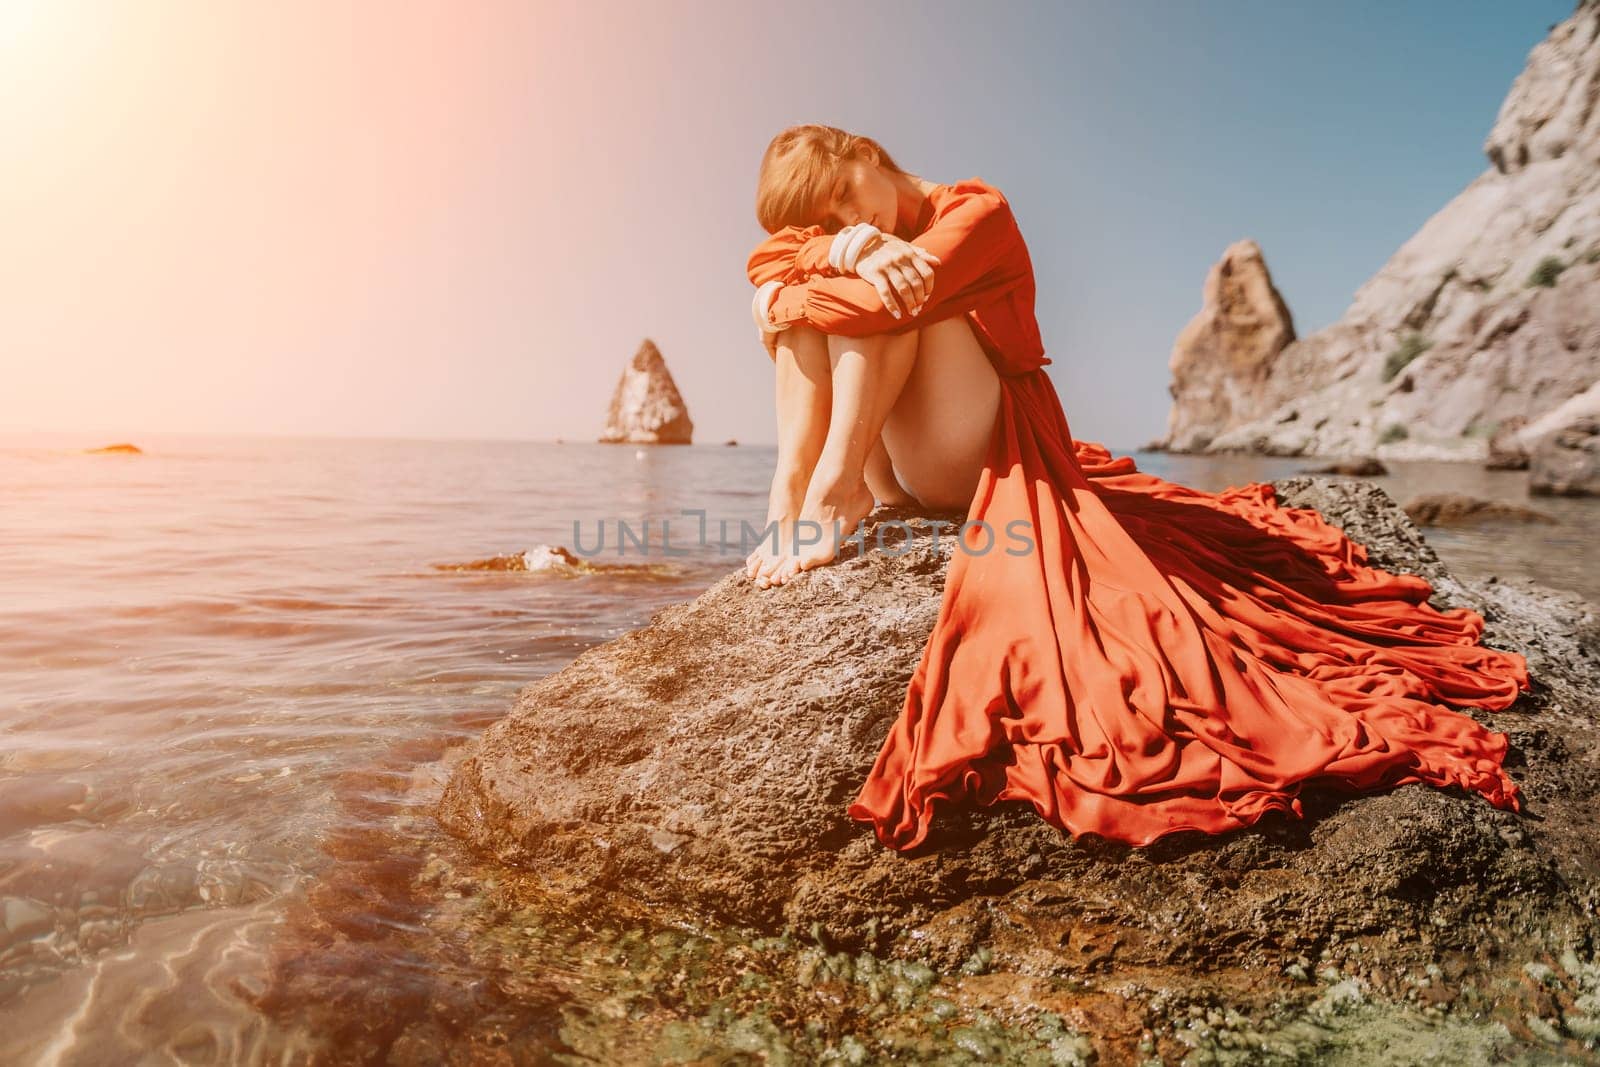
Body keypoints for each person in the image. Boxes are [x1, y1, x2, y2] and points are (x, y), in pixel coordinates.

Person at [743, 123, 1532, 852]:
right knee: (813, 308)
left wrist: (790, 288)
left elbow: (871, 299)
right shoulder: (859, 238)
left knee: (877, 305)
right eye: (824, 215)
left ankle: (836, 492)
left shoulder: (978, 211)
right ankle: (794, 497)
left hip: (979, 449)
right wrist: (835, 254)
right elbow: (769, 260)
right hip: (909, 449)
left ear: (868, 154)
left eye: (844, 193)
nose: (846, 216)